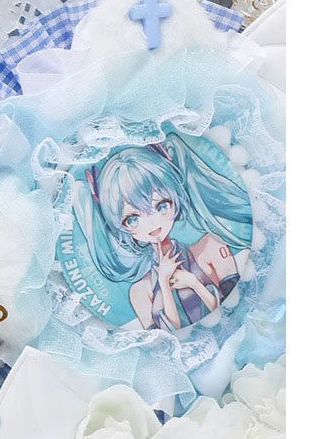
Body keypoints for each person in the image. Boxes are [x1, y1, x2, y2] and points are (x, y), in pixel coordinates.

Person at [74, 133, 253, 330]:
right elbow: (166, 333)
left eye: (161, 206)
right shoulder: (139, 291)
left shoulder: (211, 247)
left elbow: (228, 302)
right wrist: (163, 280)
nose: (152, 223)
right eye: (132, 219)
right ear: (118, 225)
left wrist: (194, 282)